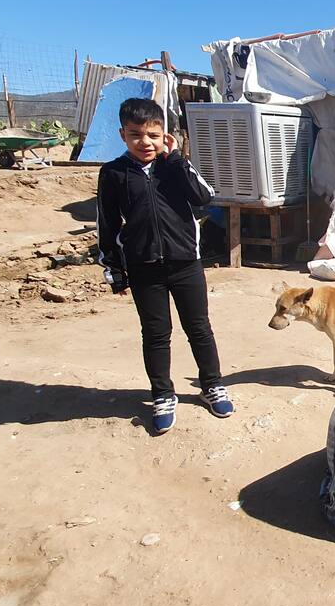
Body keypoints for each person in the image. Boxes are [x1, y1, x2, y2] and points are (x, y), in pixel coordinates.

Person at [96, 98, 234, 433]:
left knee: (199, 328)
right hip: (144, 267)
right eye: (136, 135)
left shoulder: (174, 166)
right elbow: (108, 223)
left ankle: (212, 386)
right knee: (156, 334)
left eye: (153, 135)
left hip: (186, 262)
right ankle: (162, 394)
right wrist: (113, 267)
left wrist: (176, 159)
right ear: (123, 135)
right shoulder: (113, 173)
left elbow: (204, 196)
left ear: (165, 136)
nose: (145, 142)